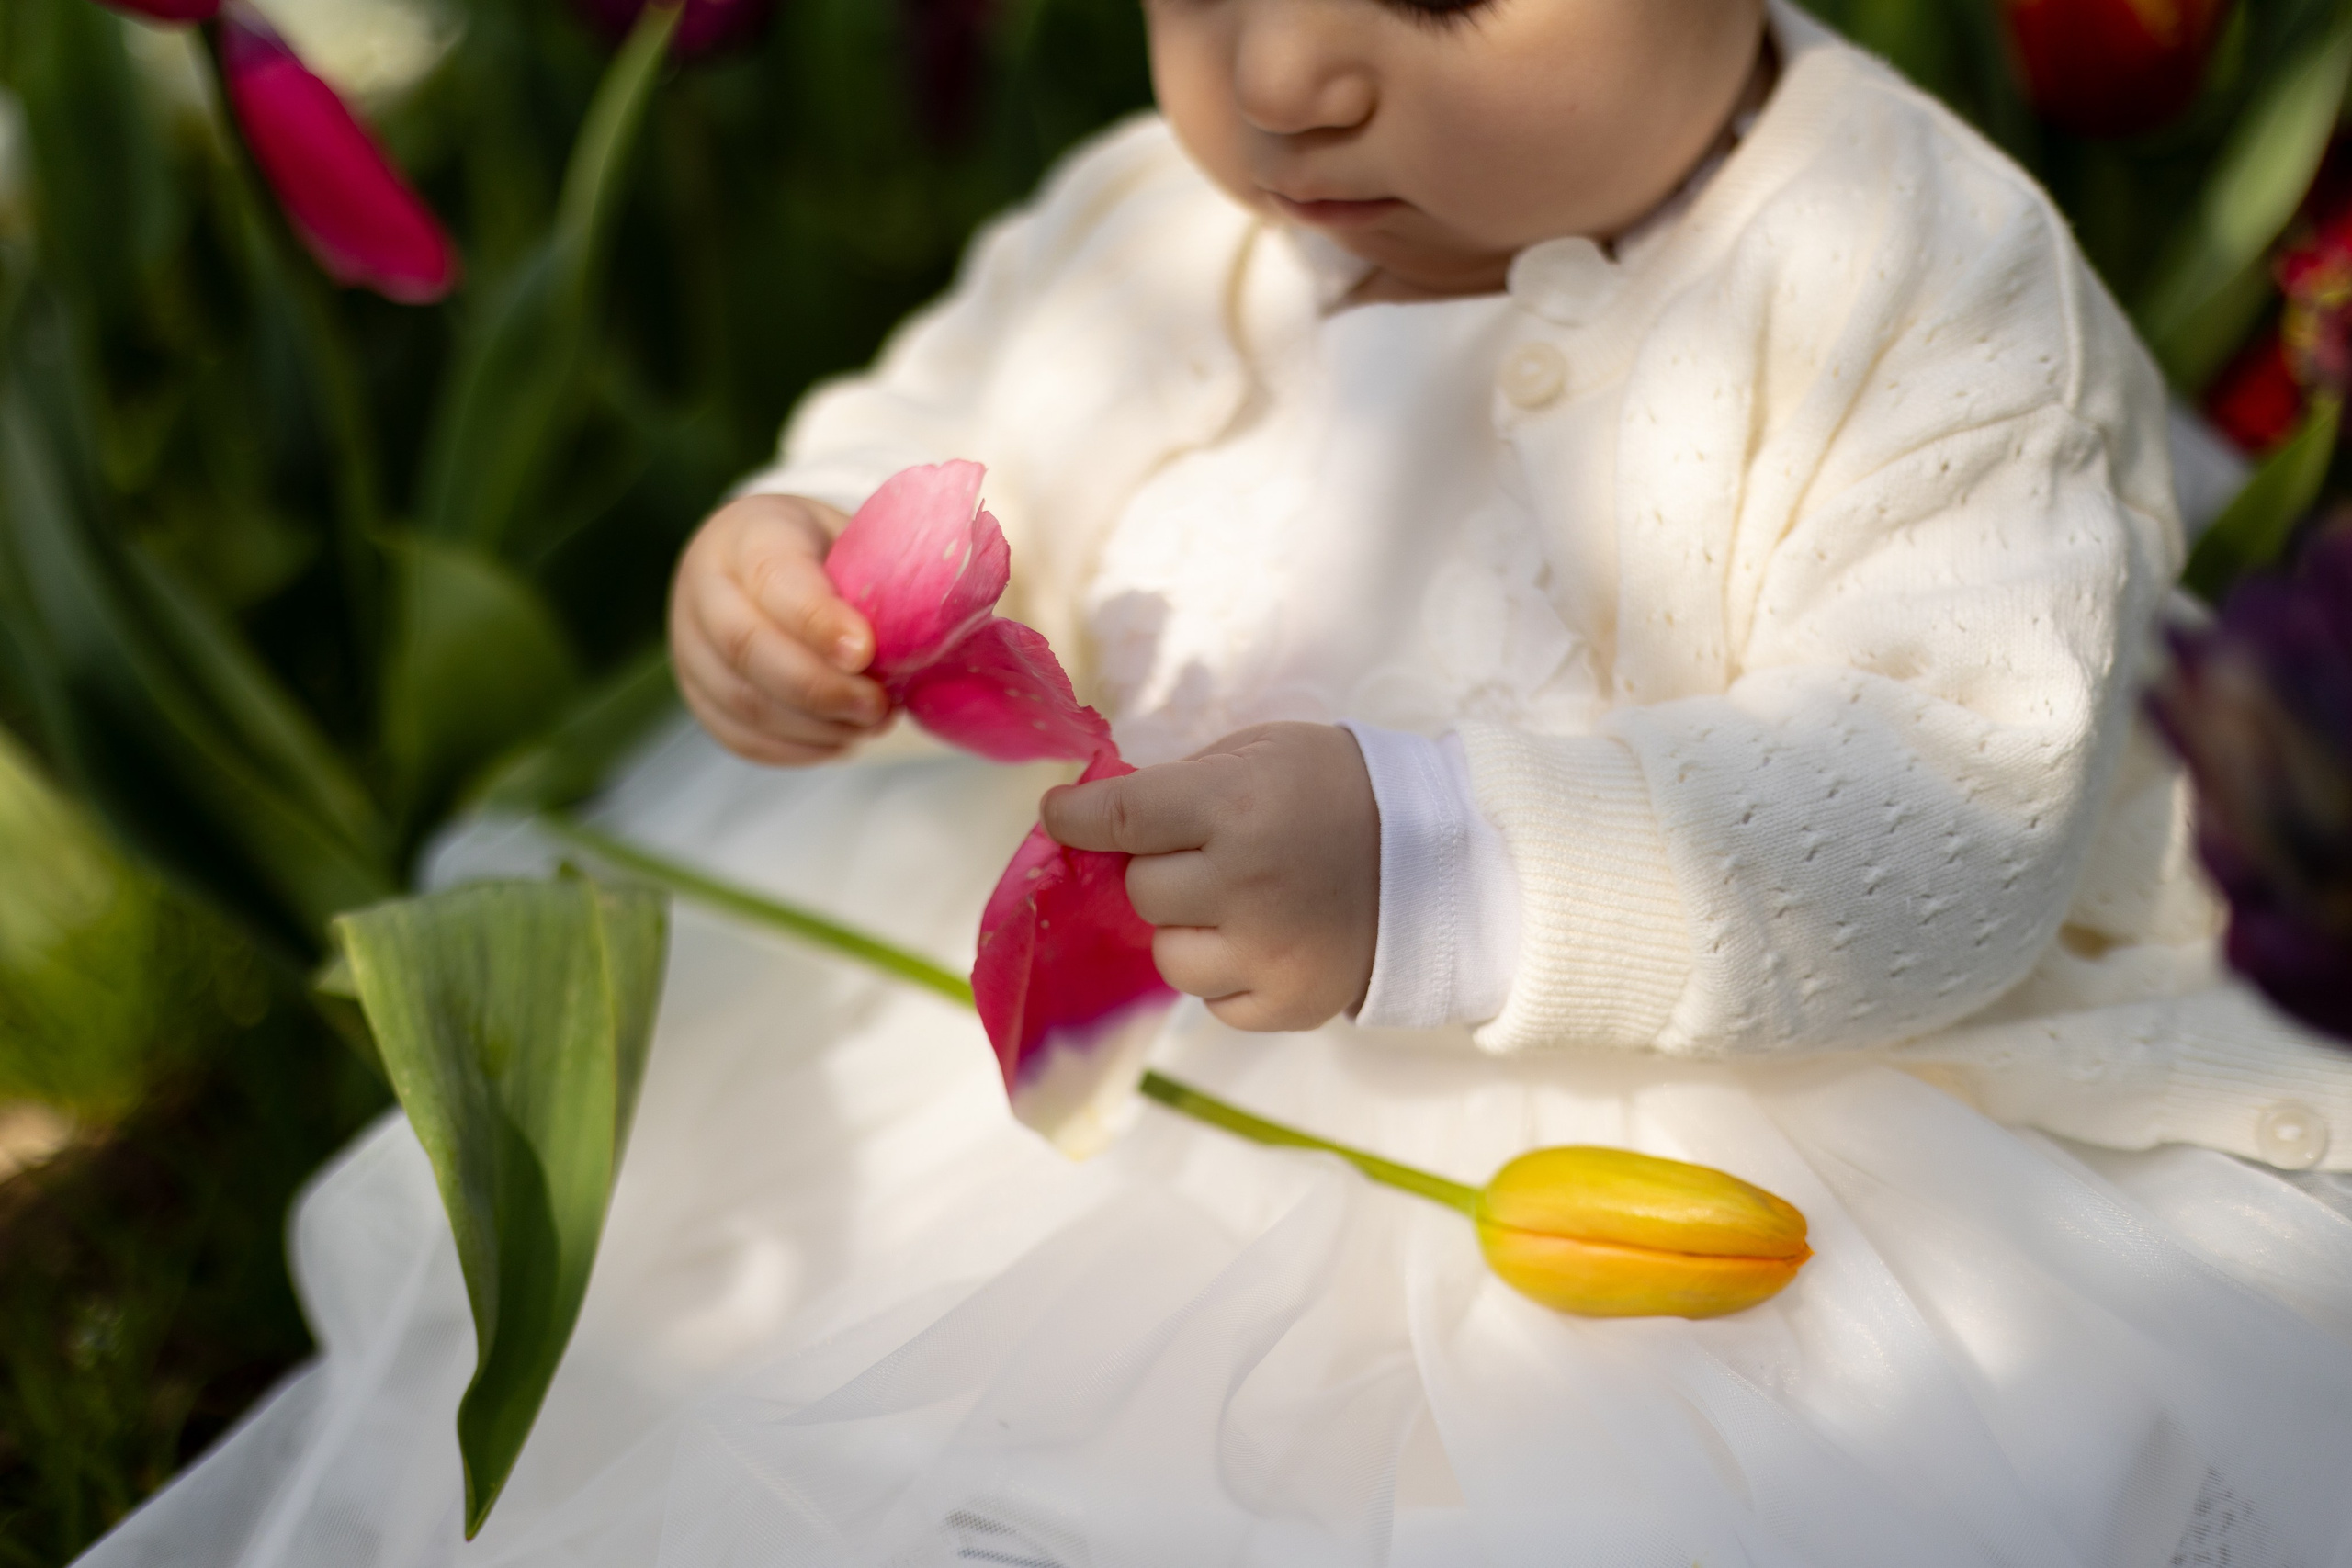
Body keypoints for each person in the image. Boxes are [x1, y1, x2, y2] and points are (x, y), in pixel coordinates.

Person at [83, 2, 2352, 1565]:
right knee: (808, 1372)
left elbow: (1955, 788)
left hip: (1691, 1114)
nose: (1278, 78)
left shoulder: (1901, 282)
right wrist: (790, 565)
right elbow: (943, 413)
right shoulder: (1142, 220)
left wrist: (1444, 861)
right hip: (1090, 1058)